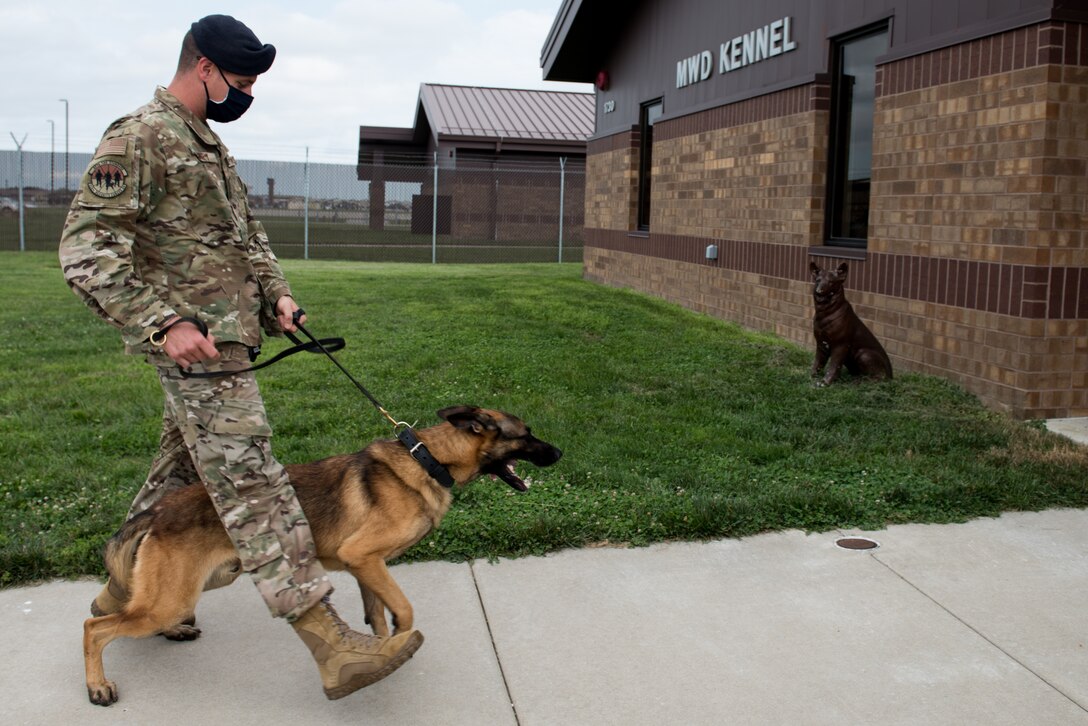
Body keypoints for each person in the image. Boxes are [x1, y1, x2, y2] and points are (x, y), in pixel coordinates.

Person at [58, 14, 422, 699]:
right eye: (241, 81)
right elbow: (84, 249)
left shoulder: (210, 148)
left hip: (232, 343)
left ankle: (120, 592)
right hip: (195, 353)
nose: (246, 93)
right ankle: (332, 643)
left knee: (176, 483)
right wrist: (163, 324)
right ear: (204, 68)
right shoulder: (139, 137)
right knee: (256, 484)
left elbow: (246, 242)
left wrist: (277, 300)